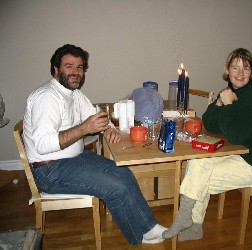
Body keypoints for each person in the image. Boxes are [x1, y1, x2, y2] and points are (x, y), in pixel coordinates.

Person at [23, 44, 167, 246]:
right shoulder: (47, 97)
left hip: (72, 160)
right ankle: (139, 236)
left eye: (80, 67)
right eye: (69, 66)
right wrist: (84, 128)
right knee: (115, 188)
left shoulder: (73, 93)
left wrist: (107, 128)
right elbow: (42, 145)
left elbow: (94, 115)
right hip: (50, 170)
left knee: (123, 172)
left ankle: (150, 226)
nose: (75, 72)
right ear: (56, 69)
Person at [163, 48, 252, 241]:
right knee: (198, 162)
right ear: (227, 70)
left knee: (201, 179)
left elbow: (234, 135)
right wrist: (219, 103)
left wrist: (227, 105)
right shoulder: (230, 92)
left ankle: (189, 222)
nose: (240, 73)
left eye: (246, 68)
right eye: (235, 67)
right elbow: (209, 124)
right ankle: (191, 223)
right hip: (242, 152)